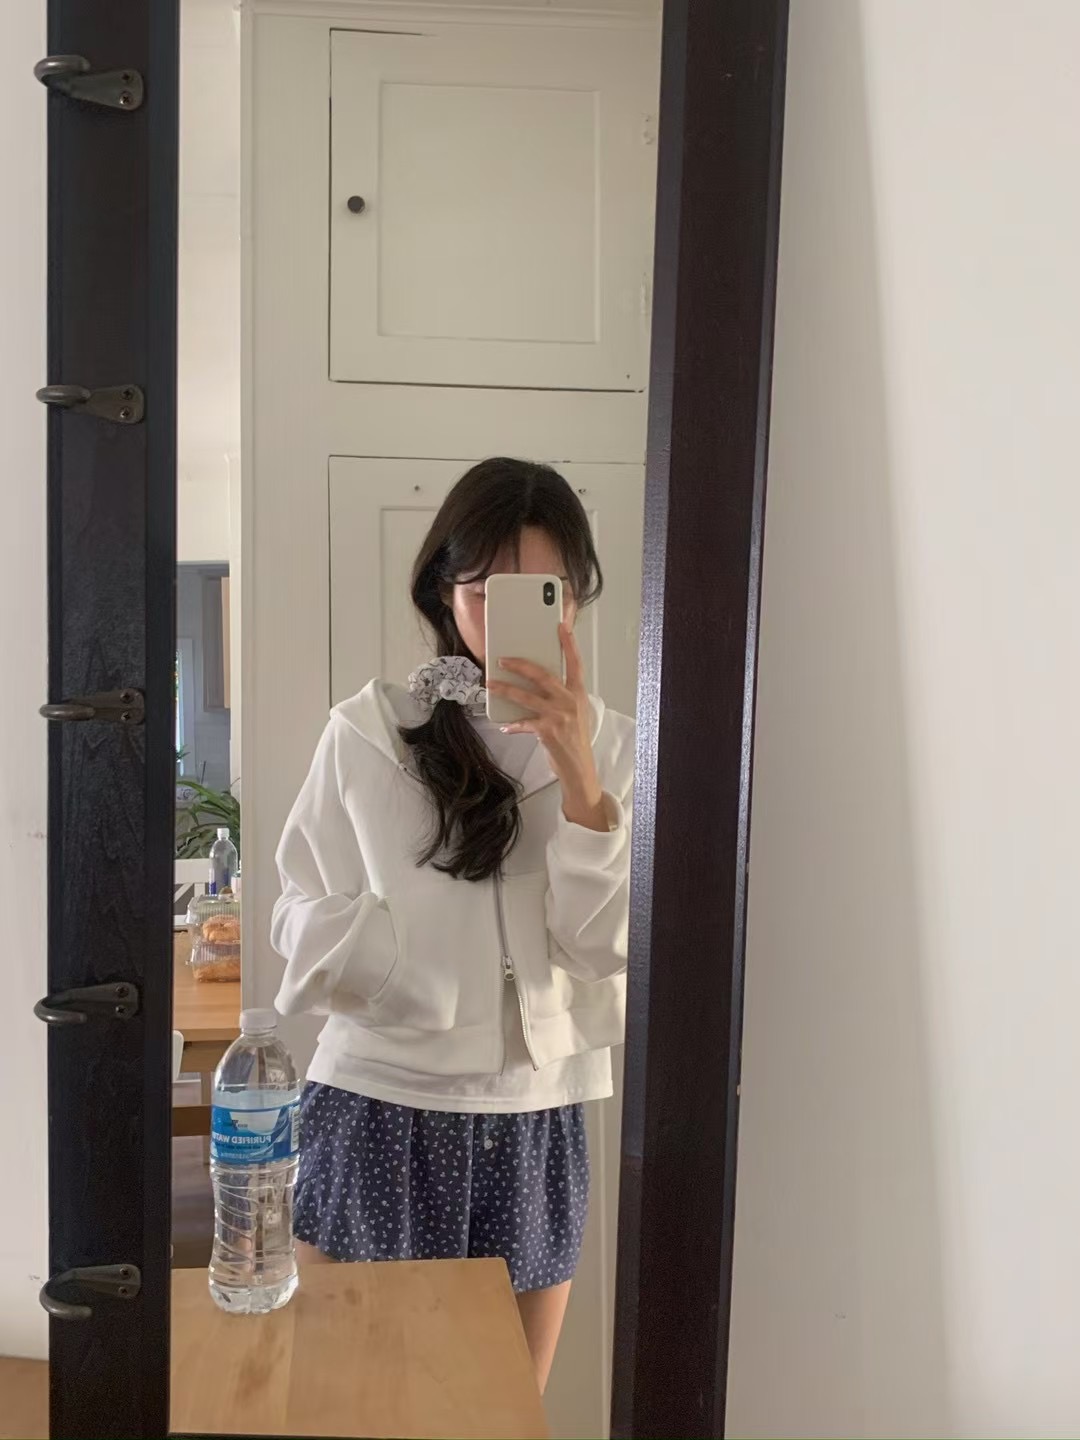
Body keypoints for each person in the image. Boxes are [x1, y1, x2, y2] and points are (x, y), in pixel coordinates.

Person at [271, 456, 634, 1389]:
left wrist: (580, 776)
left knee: (502, 1408)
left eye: (543, 594)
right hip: (379, 1102)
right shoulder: (370, 733)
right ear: (445, 589)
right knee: (352, 1403)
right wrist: (397, 968)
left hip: (536, 1114)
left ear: (575, 597)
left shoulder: (615, 746)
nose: (511, 622)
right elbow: (297, 909)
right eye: (485, 593)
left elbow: (602, 947)